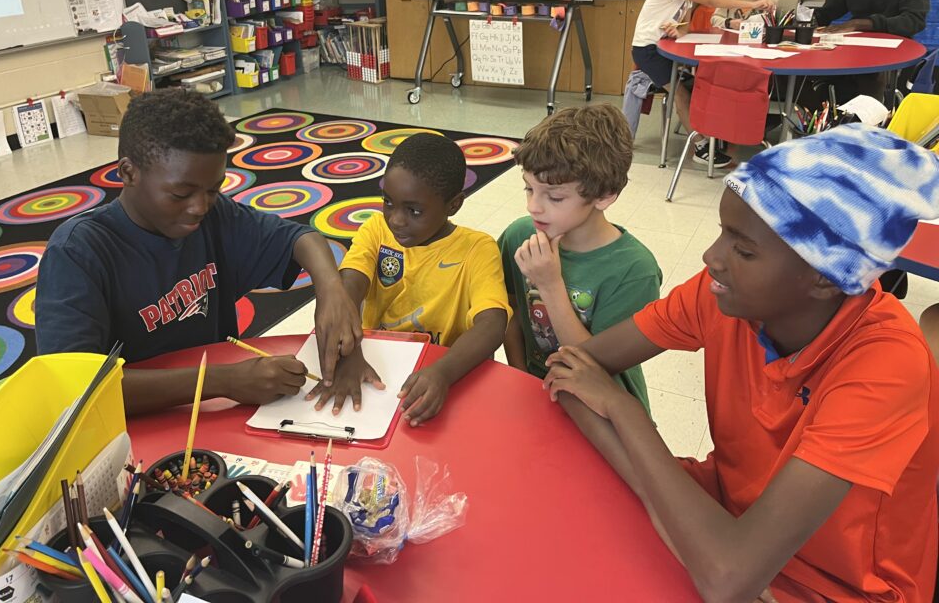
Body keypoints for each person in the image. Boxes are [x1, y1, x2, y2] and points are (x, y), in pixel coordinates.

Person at [542, 124, 939, 603]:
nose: (712, 258)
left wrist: (622, 412)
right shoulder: (723, 295)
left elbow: (729, 581)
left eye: (744, 249)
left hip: (835, 587)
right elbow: (571, 371)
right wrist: (658, 494)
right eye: (723, 234)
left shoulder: (886, 364)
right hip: (723, 524)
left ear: (824, 279)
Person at [36, 90, 363, 416]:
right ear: (128, 172)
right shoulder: (78, 253)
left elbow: (299, 239)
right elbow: (75, 388)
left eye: (213, 189)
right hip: (124, 429)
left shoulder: (215, 216)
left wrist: (331, 289)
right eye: (181, 193)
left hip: (210, 411)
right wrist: (223, 381)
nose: (199, 207)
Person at [307, 133, 510, 426]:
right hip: (377, 364)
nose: (396, 220)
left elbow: (492, 325)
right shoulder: (376, 229)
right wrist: (349, 353)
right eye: (388, 203)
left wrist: (443, 373)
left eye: (414, 211)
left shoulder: (478, 249)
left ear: (453, 205)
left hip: (445, 371)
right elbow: (348, 288)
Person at [499, 105, 659, 412]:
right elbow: (510, 312)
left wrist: (550, 284)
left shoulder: (635, 270)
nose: (534, 206)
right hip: (535, 395)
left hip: (601, 409)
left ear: (605, 195)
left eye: (555, 197)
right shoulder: (521, 236)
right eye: (528, 188)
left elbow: (594, 365)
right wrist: (520, 378)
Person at [625, 0, 773, 167]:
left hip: (659, 46)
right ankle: (702, 147)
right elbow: (712, 1)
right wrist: (752, 5)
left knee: (700, 84)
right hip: (647, 50)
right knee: (681, 93)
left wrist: (676, 29)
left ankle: (715, 136)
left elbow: (681, 24)